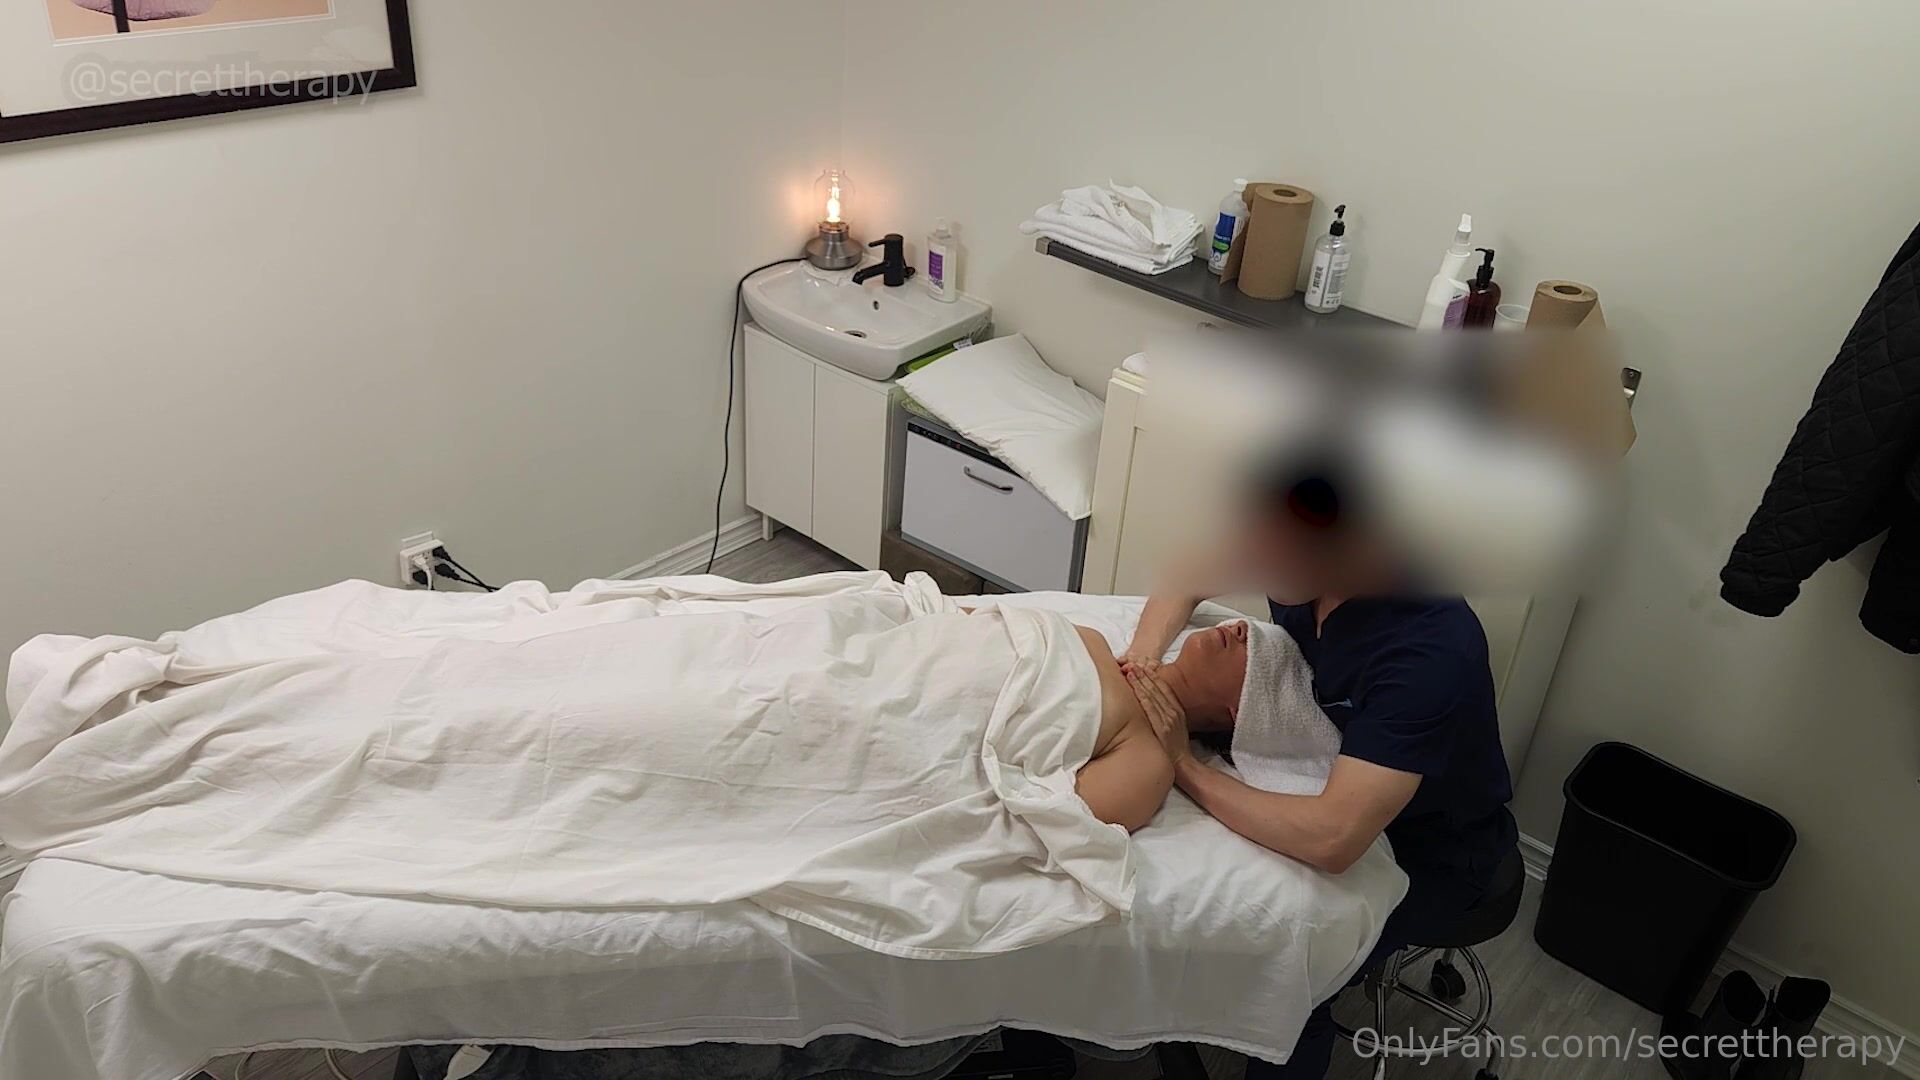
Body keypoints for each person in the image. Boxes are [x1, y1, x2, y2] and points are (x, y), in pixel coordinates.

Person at [1117, 477, 1517, 1080]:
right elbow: (1190, 573)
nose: (1260, 559)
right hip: (1324, 778)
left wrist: (1184, 765)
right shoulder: (1298, 545)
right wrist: (1143, 660)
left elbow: (1334, 838)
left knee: (1289, 974)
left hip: (1434, 850)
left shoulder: (1429, 651)